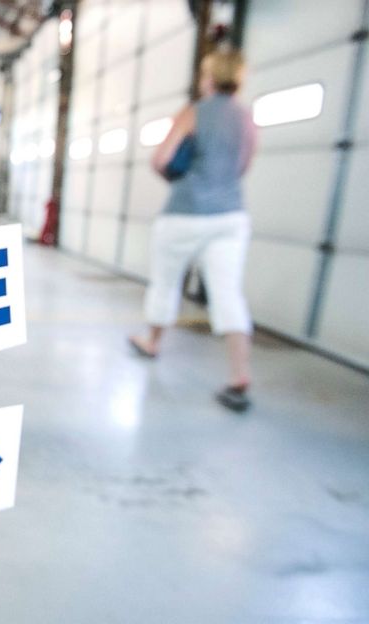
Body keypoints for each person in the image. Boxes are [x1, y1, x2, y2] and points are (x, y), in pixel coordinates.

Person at [128, 48, 258, 412]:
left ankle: (152, 342)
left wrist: (180, 177)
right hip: (230, 215)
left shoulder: (194, 113)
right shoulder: (247, 119)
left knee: (166, 281)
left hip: (185, 212)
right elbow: (244, 164)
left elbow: (160, 159)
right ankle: (239, 374)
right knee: (229, 294)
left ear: (209, 77)